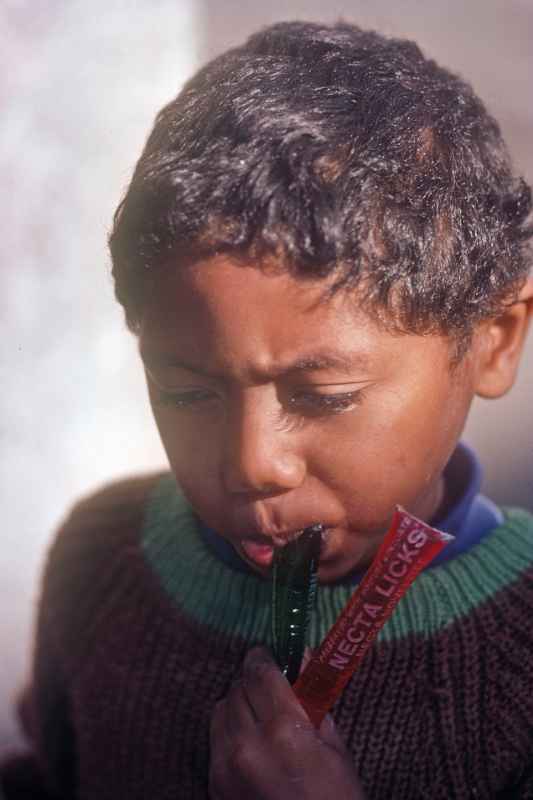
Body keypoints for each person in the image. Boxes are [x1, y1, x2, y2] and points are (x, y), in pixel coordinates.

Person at [2, 19, 533, 800]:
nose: (252, 464)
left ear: (493, 340)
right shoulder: (105, 558)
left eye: (323, 397)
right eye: (187, 391)